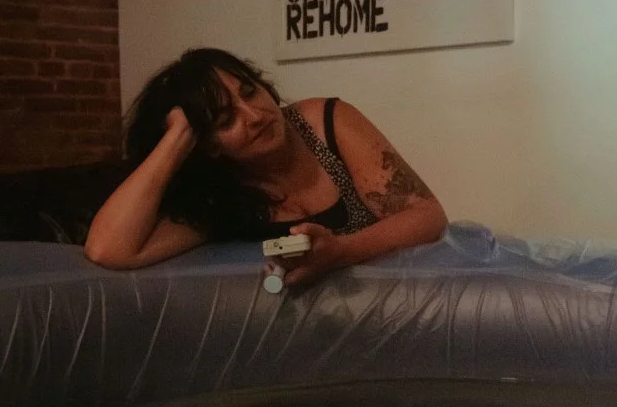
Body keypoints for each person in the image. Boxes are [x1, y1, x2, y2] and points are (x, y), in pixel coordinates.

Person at [84, 48, 448, 286]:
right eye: (226, 119)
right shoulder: (220, 197)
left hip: (394, 308)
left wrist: (341, 251)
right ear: (208, 146)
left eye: (249, 92)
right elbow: (108, 249)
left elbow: (427, 215)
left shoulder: (325, 122)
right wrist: (176, 138)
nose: (255, 116)